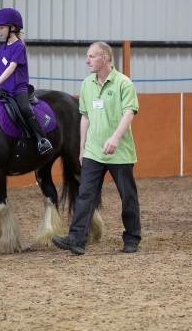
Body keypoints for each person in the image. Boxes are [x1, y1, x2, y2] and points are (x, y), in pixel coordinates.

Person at [51, 42, 141, 255]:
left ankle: (132, 237)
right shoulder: (87, 84)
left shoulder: (123, 83)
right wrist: (81, 148)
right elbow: (85, 117)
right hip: (93, 151)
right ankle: (76, 239)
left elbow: (130, 112)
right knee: (85, 195)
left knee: (127, 195)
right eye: (87, 56)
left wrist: (115, 138)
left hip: (120, 152)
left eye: (92, 56)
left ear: (105, 58)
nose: (87, 60)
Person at [0, 7, 53, 155]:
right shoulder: (1, 48)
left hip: (17, 89)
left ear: (13, 28)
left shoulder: (19, 47)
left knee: (24, 108)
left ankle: (42, 139)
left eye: (2, 27)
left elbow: (11, 68)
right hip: (2, 90)